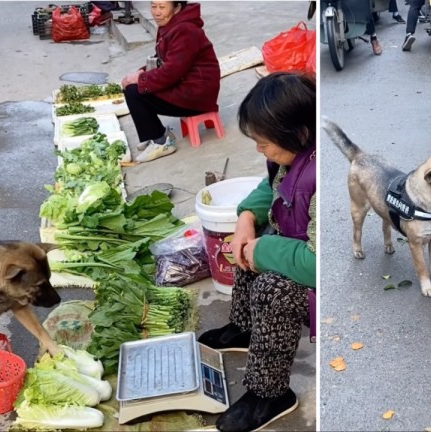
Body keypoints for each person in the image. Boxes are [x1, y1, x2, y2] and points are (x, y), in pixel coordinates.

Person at [197, 72, 316, 432]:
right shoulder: (291, 155)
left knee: (273, 289)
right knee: (247, 245)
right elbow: (273, 187)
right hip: (296, 244)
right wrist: (246, 218)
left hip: (323, 281)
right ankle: (246, 328)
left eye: (263, 143)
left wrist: (262, 249)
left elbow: (317, 263)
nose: (258, 150)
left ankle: (270, 393)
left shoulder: (322, 176)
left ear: (298, 133)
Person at [121, 1, 220, 163]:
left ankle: (161, 141)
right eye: (153, 6)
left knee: (134, 91)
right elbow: (162, 61)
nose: (157, 12)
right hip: (184, 84)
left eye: (162, 7)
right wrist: (142, 71)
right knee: (133, 85)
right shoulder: (172, 25)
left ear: (177, 8)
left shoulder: (185, 30)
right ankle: (154, 135)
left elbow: (172, 72)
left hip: (196, 93)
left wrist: (140, 79)